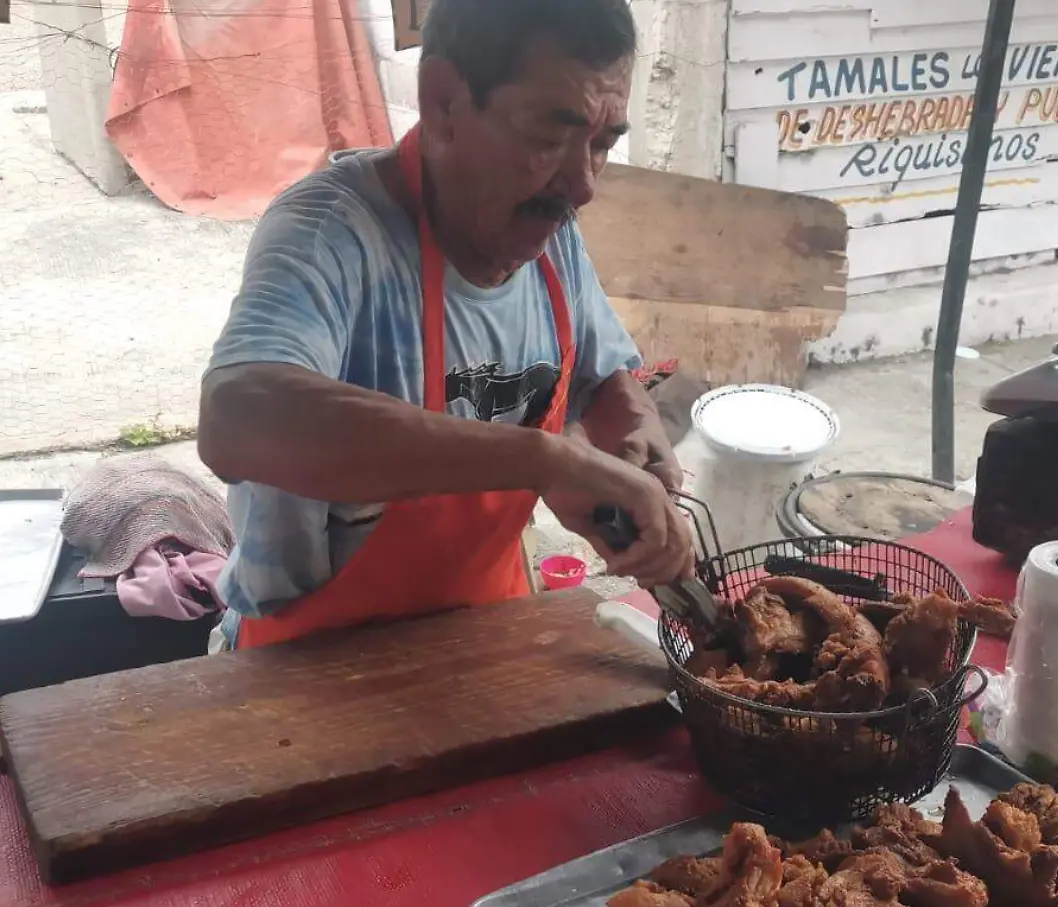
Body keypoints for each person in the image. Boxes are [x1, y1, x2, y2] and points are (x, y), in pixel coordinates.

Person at [197, 0, 694, 649]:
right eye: (548, 135)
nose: (582, 186)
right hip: (312, 665)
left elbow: (604, 383)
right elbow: (236, 419)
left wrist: (631, 437)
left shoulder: (547, 231)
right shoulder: (333, 233)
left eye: (601, 144)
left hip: (487, 631)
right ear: (443, 104)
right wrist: (544, 459)